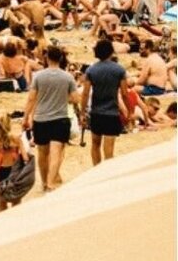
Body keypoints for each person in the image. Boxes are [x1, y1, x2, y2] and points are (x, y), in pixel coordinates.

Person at [25, 44, 75, 193]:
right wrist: (63, 97)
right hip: (60, 118)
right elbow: (75, 98)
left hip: (41, 118)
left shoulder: (38, 76)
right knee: (56, 152)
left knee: (42, 153)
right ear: (60, 58)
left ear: (46, 58)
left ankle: (44, 182)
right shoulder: (67, 77)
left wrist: (25, 117)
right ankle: (51, 181)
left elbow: (31, 99)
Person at [83, 38, 129, 167]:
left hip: (96, 112)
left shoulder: (91, 70)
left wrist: (82, 112)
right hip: (112, 113)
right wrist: (128, 111)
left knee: (95, 145)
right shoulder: (119, 70)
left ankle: (96, 170)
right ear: (111, 52)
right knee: (109, 149)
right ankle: (108, 174)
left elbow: (85, 93)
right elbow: (124, 93)